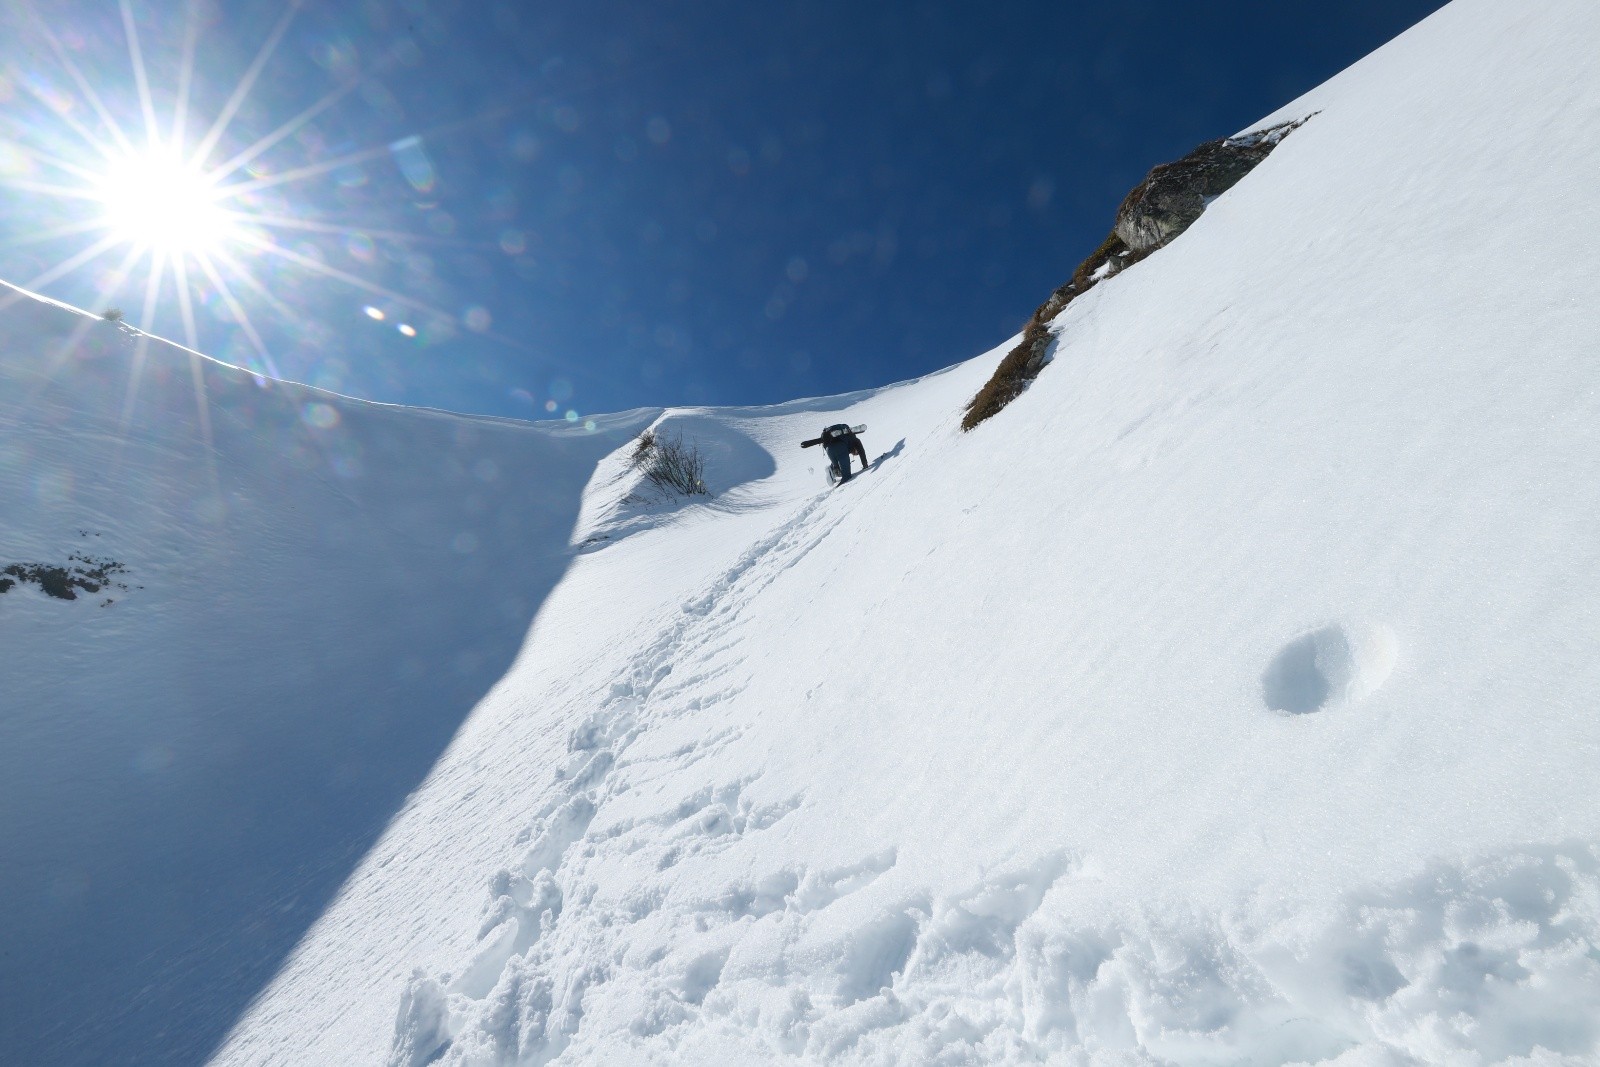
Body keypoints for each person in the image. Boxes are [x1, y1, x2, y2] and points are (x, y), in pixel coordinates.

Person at [801, 423, 868, 483]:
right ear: (856, 450)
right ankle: (837, 490)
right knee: (846, 477)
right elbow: (862, 452)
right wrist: (865, 465)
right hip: (840, 446)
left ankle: (832, 469)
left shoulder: (848, 438)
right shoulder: (856, 441)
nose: (855, 454)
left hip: (828, 449)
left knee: (839, 470)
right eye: (856, 453)